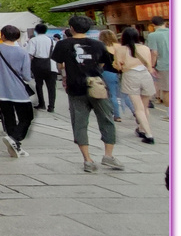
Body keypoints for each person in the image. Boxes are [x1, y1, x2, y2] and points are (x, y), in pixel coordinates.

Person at [50, 15, 123, 173]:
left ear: (72, 28)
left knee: (80, 123)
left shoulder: (63, 44)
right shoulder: (98, 44)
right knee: (106, 120)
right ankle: (108, 155)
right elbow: (103, 64)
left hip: (75, 86)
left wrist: (67, 73)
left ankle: (88, 159)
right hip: (97, 85)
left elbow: (60, 65)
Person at [0, 25, 34, 158]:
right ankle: (15, 139)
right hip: (19, 91)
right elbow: (26, 75)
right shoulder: (22, 52)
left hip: (1, 90)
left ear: (2, 35)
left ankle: (15, 147)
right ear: (18, 37)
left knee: (8, 118)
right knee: (26, 117)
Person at [114, 27, 156, 144]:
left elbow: (118, 66)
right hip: (146, 75)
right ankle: (142, 129)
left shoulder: (121, 49)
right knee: (145, 106)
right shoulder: (145, 48)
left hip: (130, 75)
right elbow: (149, 63)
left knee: (138, 108)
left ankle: (149, 134)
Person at [97, 30, 136, 123]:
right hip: (123, 72)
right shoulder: (121, 47)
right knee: (125, 94)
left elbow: (101, 63)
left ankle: (117, 115)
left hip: (108, 72)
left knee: (112, 94)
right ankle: (135, 112)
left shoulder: (103, 48)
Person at [26, 23, 56, 112]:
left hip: (38, 64)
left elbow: (30, 54)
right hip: (51, 64)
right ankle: (51, 106)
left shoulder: (33, 40)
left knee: (39, 85)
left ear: (36, 30)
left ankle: (41, 104)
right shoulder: (52, 41)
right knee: (51, 87)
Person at [146, 16, 169, 107]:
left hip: (164, 65)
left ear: (153, 25)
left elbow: (154, 52)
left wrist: (152, 66)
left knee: (167, 90)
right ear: (164, 23)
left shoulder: (152, 35)